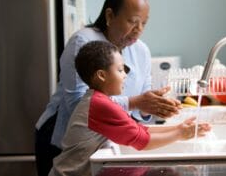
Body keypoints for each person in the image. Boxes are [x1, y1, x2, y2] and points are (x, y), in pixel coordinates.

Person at [35, 0, 181, 176]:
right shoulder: (84, 41)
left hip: (105, 140)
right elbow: (78, 105)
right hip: (61, 141)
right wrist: (136, 102)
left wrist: (151, 105)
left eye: (144, 23)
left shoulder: (141, 50)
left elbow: (141, 105)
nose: (139, 30)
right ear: (110, 16)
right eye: (133, 21)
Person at [48, 41, 210, 176]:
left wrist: (177, 128)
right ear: (102, 75)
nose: (125, 75)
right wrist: (181, 134)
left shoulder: (100, 100)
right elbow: (143, 142)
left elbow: (139, 129)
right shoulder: (99, 105)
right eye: (120, 70)